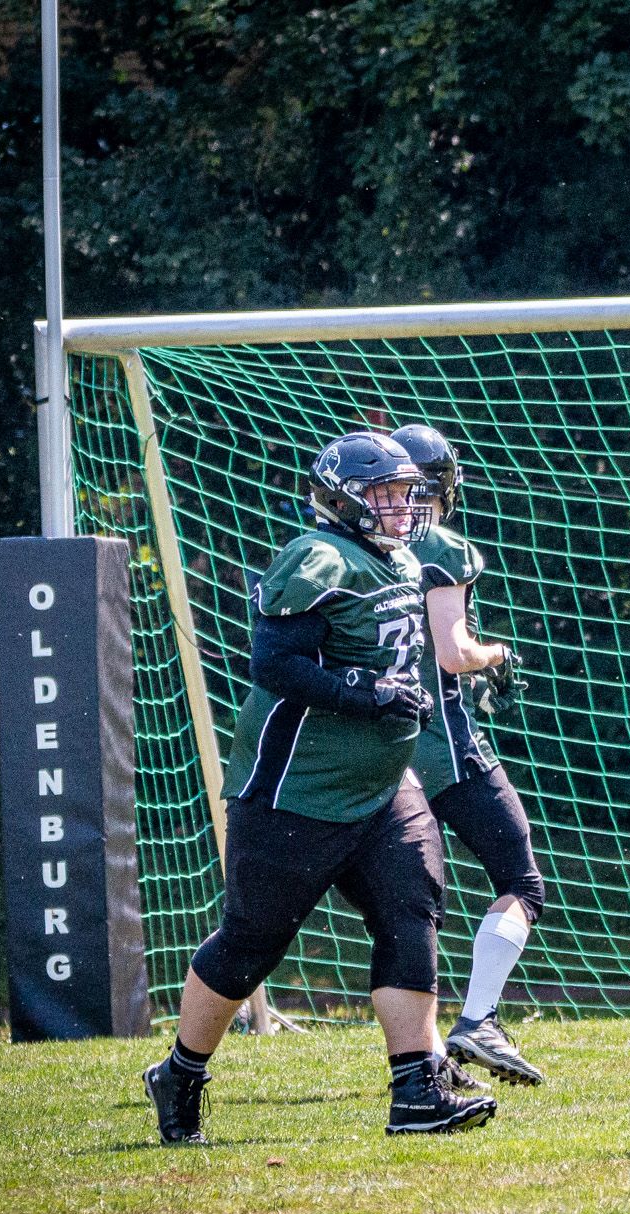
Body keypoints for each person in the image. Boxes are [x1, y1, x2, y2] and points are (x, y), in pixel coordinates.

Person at [141, 431, 497, 1144]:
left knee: (411, 909)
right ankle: (180, 1072)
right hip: (297, 792)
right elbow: (274, 663)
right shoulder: (318, 557)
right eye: (386, 493)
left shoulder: (399, 558)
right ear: (343, 499)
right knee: (252, 942)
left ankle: (416, 1092)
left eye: (406, 491)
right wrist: (364, 693)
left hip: (383, 785)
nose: (403, 505)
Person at [387, 423, 546, 1087]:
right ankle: (477, 1019)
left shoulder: (363, 547)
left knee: (400, 910)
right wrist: (498, 654)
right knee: (521, 880)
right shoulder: (442, 547)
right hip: (445, 746)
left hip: (379, 750)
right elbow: (453, 653)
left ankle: (188, 1055)